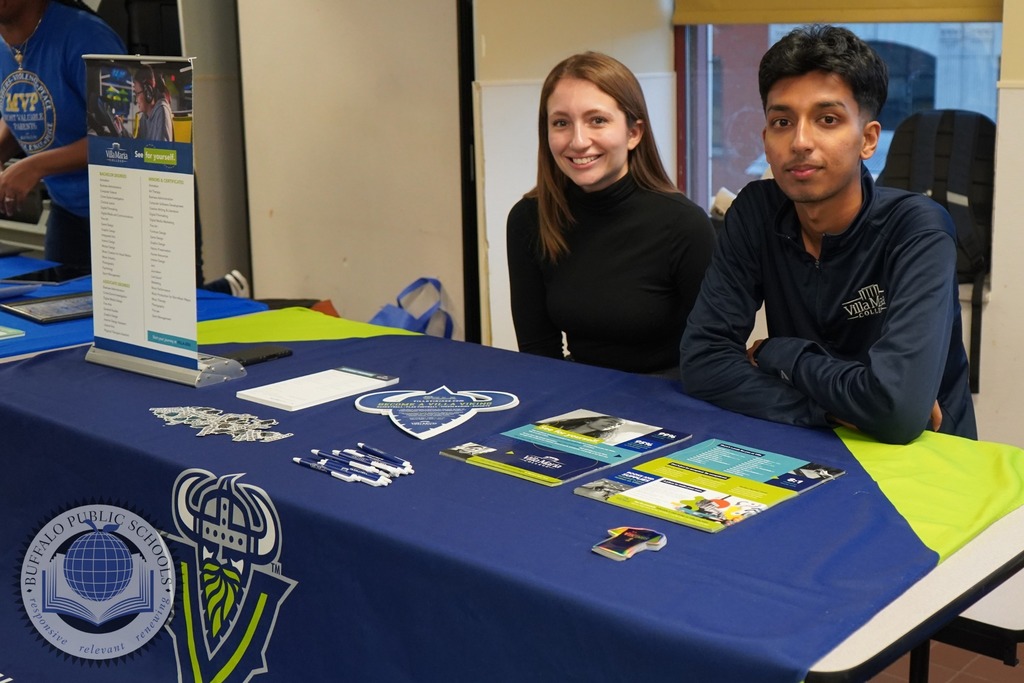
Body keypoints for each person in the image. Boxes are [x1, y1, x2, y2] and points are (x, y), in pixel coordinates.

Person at [679, 25, 977, 445]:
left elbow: (899, 410)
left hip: (930, 459)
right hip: (812, 444)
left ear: (867, 139)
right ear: (766, 140)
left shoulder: (918, 228)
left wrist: (774, 354)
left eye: (828, 119)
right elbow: (703, 361)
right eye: (782, 121)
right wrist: (831, 410)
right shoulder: (756, 211)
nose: (800, 141)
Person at [506, 51, 716, 377]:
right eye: (561, 123)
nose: (578, 141)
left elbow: (713, 354)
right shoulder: (529, 219)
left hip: (671, 397)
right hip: (579, 398)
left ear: (634, 133)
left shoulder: (684, 225)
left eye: (597, 120)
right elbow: (538, 350)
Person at [0, 0, 125, 268]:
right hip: (68, 206)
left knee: (165, 307)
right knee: (60, 300)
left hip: (125, 208)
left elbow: (122, 135)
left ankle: (228, 286)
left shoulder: (87, 37)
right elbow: (24, 103)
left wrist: (35, 166)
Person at [131, 64, 173, 142]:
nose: (136, 100)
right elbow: (137, 146)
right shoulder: (144, 118)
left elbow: (162, 152)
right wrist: (121, 132)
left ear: (148, 93)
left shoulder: (161, 111)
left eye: (137, 93)